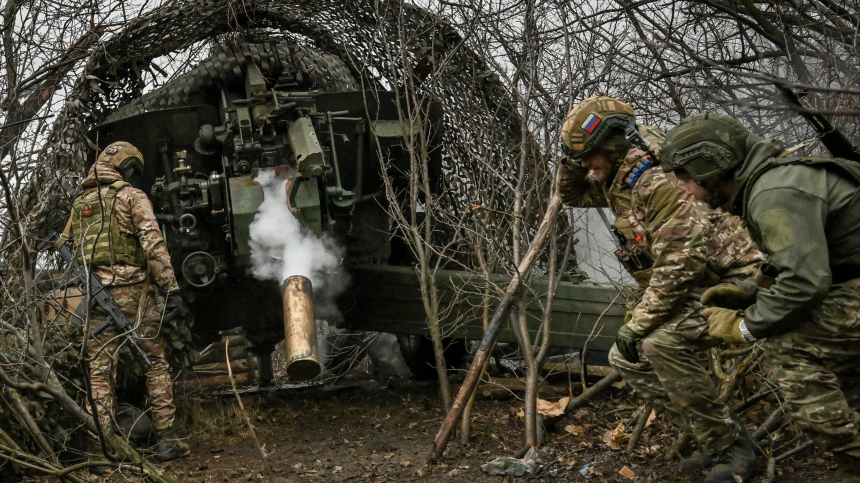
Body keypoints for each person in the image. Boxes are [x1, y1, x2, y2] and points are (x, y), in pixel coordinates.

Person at [558, 96, 763, 482]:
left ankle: (733, 449)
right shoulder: (620, 177)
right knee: (626, 357)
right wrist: (571, 155)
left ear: (613, 145)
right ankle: (720, 440)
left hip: (741, 286)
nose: (584, 165)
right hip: (703, 286)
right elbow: (571, 195)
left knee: (655, 345)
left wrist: (638, 324)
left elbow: (679, 265)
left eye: (588, 156)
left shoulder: (656, 180)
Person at [660, 112, 860, 483]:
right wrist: (751, 290)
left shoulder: (771, 193)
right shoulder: (772, 181)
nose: (685, 189)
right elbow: (814, 257)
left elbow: (805, 283)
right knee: (846, 368)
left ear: (710, 165)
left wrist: (744, 326)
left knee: (788, 346)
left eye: (685, 177)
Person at [63, 141, 189, 462]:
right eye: (132, 170)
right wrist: (171, 289)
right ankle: (166, 440)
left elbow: (68, 247)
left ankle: (101, 451)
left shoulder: (80, 204)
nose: (132, 176)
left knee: (99, 372)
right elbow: (153, 245)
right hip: (134, 294)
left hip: (95, 296)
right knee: (155, 364)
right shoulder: (132, 197)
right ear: (124, 167)